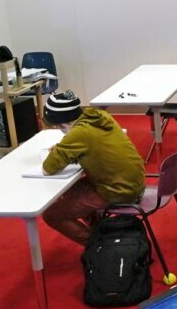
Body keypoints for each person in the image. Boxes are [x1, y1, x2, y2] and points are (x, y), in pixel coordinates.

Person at [38, 89, 146, 245]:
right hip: (134, 183)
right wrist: (65, 147)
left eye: (59, 128)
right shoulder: (99, 117)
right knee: (67, 190)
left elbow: (48, 168)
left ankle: (99, 245)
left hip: (119, 191)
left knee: (52, 215)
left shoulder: (78, 133)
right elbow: (89, 145)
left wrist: (62, 148)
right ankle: (100, 229)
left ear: (63, 124)